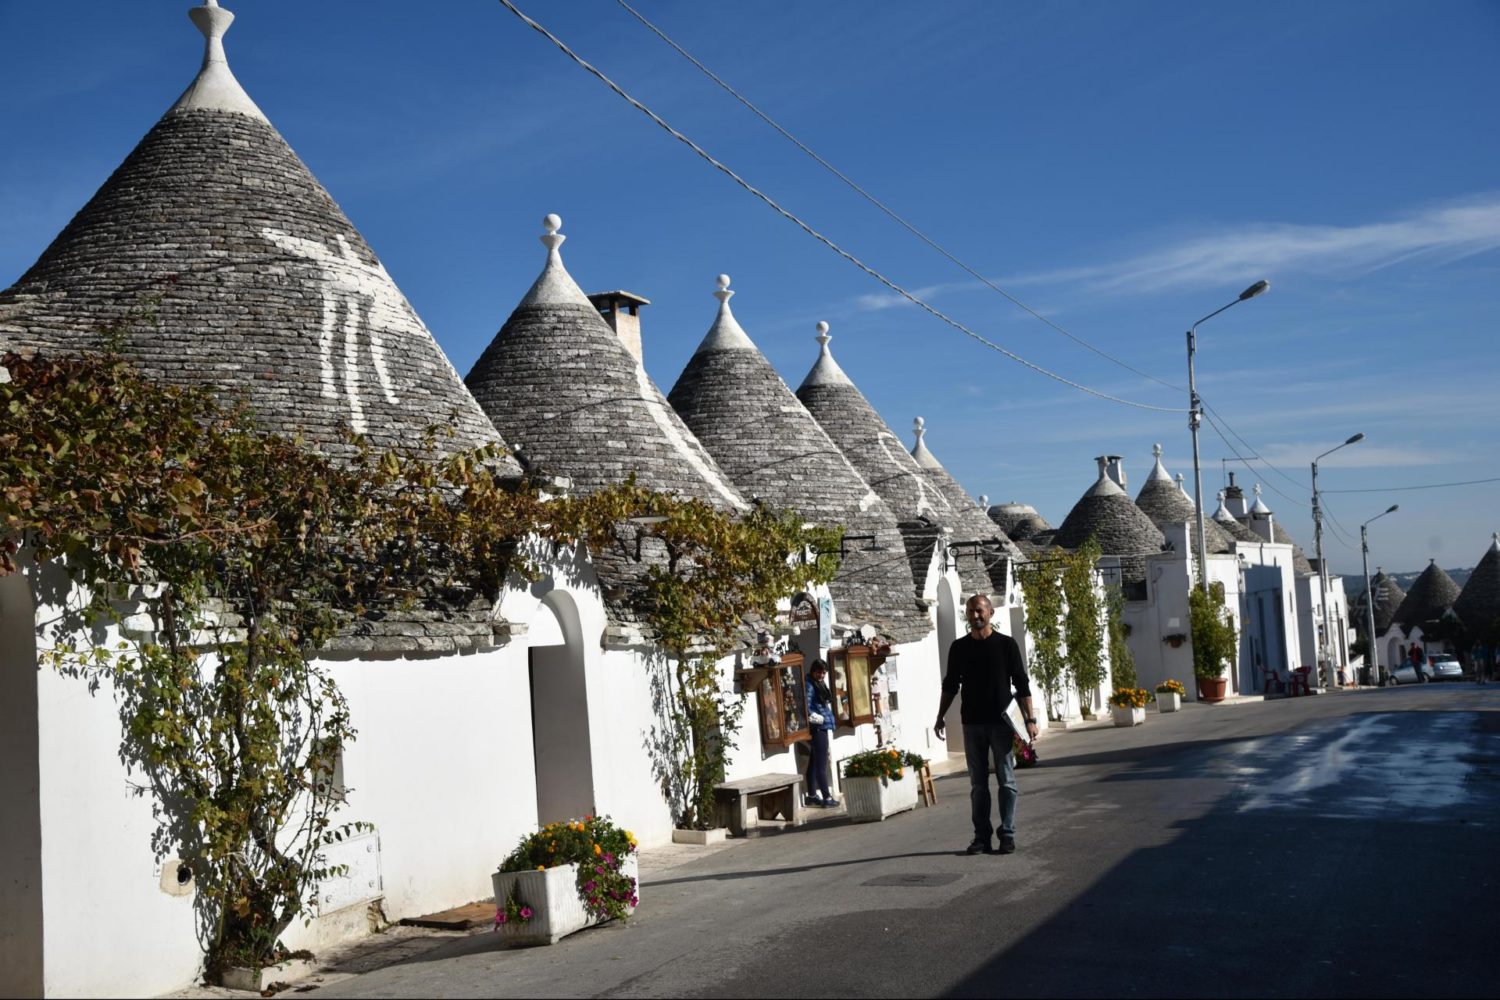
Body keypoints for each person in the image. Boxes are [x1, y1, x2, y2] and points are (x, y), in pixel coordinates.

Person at [934, 593, 1038, 855]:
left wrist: (1030, 719)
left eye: (980, 611)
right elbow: (950, 685)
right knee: (978, 785)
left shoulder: (1006, 645)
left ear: (991, 612)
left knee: (1007, 781)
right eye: (970, 611)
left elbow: (1021, 683)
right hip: (972, 724)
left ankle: (1008, 833)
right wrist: (940, 716)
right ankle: (981, 836)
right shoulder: (959, 648)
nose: (975, 616)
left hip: (1001, 723)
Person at [804, 659, 838, 808]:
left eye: (823, 672)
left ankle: (812, 795)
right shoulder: (810, 685)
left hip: (821, 724)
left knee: (814, 761)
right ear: (813, 671)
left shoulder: (818, 683)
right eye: (819, 672)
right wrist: (816, 717)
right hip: (818, 726)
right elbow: (806, 704)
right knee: (821, 764)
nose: (821, 675)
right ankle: (827, 797)